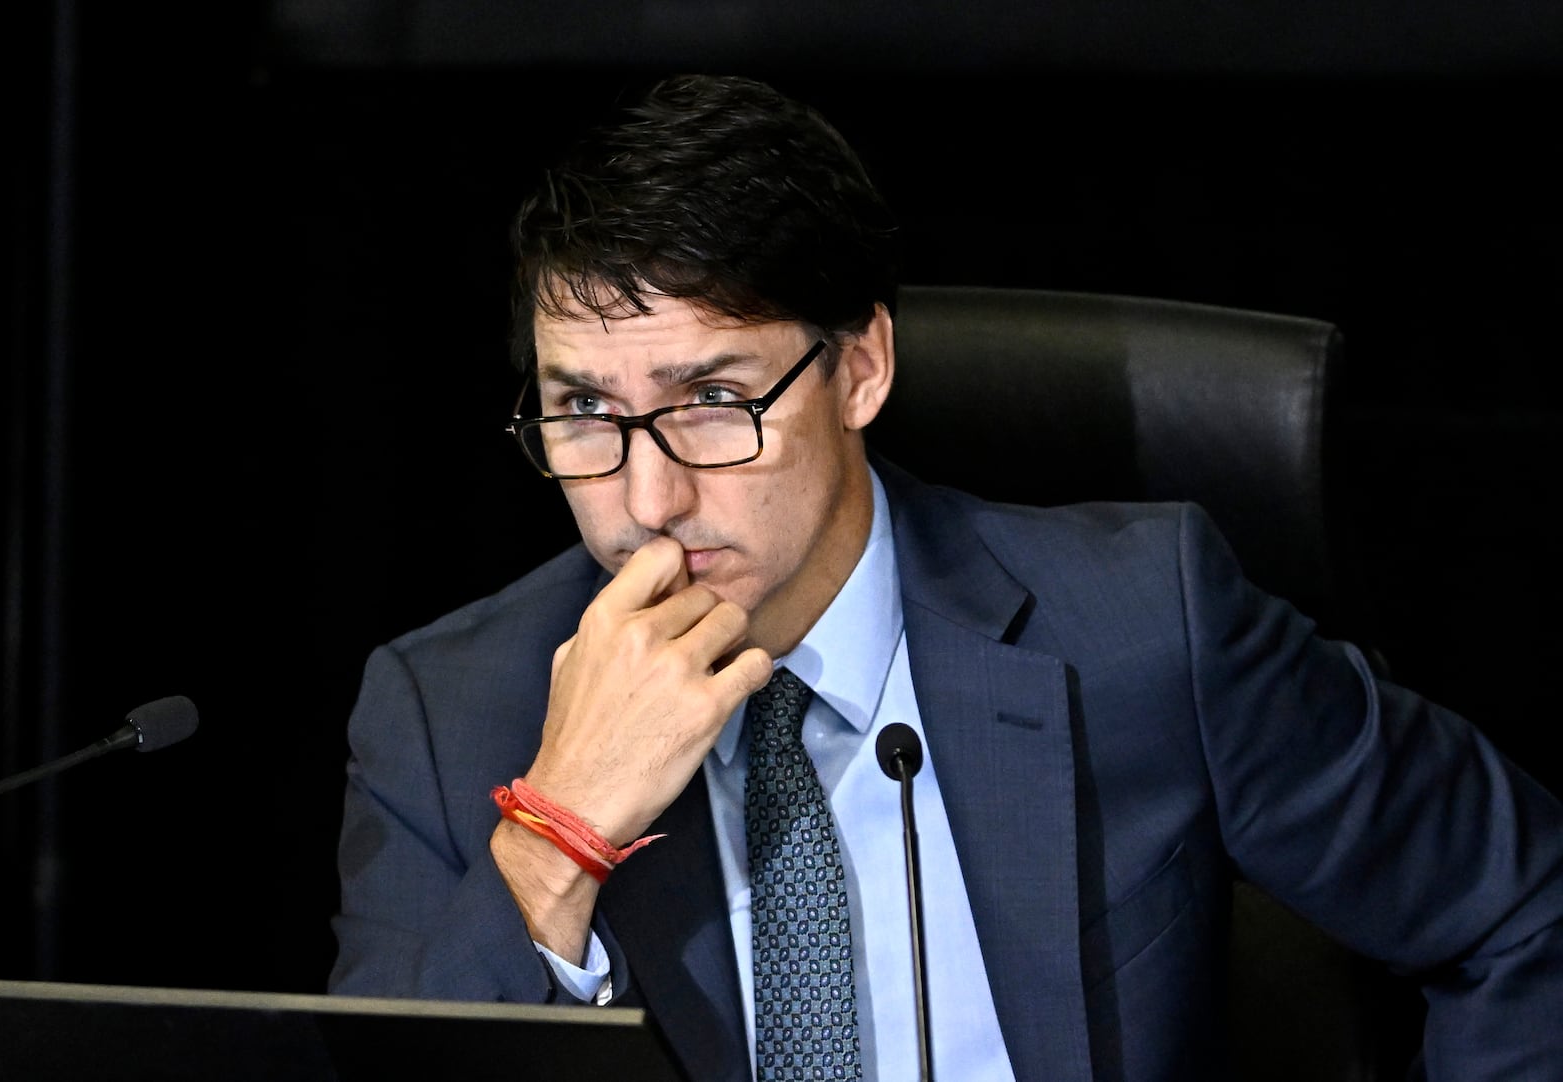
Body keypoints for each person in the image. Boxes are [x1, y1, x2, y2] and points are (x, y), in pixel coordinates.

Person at [327, 73, 1563, 1081]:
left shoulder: (1142, 627)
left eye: (711, 401)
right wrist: (560, 835)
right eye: (583, 413)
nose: (647, 499)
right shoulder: (448, 711)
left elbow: (1523, 907)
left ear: (859, 368)